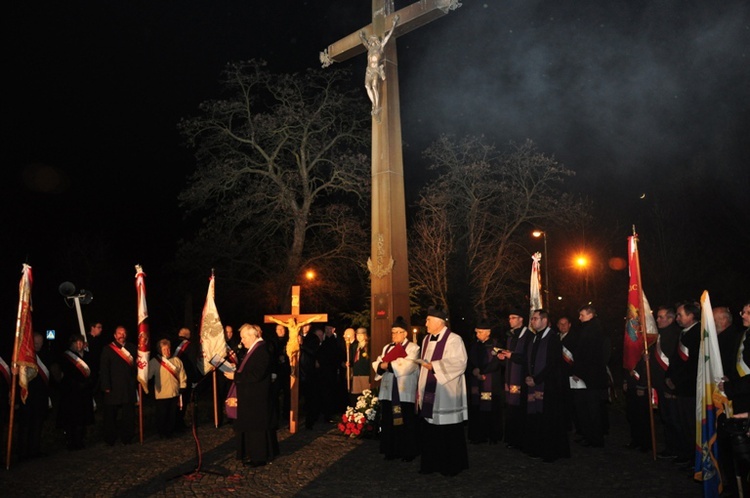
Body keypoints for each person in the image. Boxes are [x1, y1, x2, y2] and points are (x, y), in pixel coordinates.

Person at [417, 307, 468, 476]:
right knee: (430, 429)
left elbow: (460, 362)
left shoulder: (454, 339)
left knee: (447, 431)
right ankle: (431, 464)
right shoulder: (425, 339)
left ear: (439, 322)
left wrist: (435, 366)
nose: (426, 323)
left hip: (446, 393)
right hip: (429, 391)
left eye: (428, 320)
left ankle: (450, 465)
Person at [223, 324, 273, 467]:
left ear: (252, 336)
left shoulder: (261, 350)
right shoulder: (255, 349)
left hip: (256, 397)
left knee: (256, 429)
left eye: (244, 337)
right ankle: (252, 454)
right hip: (250, 396)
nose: (242, 341)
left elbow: (257, 374)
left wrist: (236, 376)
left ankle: (258, 458)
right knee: (251, 428)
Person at [525, 310, 570, 462]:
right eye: (531, 319)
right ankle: (537, 447)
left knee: (549, 419)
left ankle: (550, 451)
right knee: (538, 418)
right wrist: (529, 375)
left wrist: (537, 379)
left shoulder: (552, 339)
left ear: (544, 320)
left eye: (535, 319)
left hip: (550, 386)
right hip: (536, 382)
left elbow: (552, 364)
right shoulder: (535, 338)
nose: (532, 321)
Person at [373, 316, 420, 461]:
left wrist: (387, 364)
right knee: (388, 422)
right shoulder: (387, 347)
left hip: (404, 392)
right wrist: (384, 364)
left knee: (405, 422)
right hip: (388, 391)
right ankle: (390, 450)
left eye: (398, 332)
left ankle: (407, 452)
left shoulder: (413, 348)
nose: (395, 335)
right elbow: (378, 363)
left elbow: (407, 366)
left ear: (405, 333)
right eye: (393, 332)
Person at [664, 300, 701, 469]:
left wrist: (677, 381)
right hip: (680, 388)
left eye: (680, 315)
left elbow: (692, 365)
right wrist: (669, 377)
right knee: (683, 424)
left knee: (691, 426)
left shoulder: (698, 334)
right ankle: (686, 455)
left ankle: (695, 460)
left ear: (691, 316)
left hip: (690, 389)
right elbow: (676, 360)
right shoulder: (684, 333)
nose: (677, 318)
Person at [720, 300, 750, 493]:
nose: (743, 315)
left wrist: (731, 387)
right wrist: (729, 377)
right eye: (743, 311)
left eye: (748, 312)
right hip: (740, 399)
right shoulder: (744, 335)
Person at [570, 305, 608, 448]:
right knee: (584, 408)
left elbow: (589, 355)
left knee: (592, 409)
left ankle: (595, 438)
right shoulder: (586, 330)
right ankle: (588, 435)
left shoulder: (594, 331)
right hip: (584, 376)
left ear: (591, 315)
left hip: (590, 378)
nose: (579, 318)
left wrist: (579, 372)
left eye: (582, 315)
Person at [467, 317, 504, 445]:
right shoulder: (474, 345)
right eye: (476, 332)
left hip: (491, 383)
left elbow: (496, 363)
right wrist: (474, 371)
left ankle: (493, 435)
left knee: (491, 409)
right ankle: (478, 435)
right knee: (477, 408)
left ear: (488, 332)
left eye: (480, 332)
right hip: (476, 382)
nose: (478, 334)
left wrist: (482, 372)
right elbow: (469, 361)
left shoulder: (495, 344)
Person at [652, 305, 682, 459]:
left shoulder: (675, 335)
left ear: (670, 319)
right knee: (666, 418)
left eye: (661, 317)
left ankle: (680, 450)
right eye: (657, 317)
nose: (657, 320)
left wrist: (672, 387)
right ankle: (670, 448)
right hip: (659, 384)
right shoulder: (659, 335)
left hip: (670, 386)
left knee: (675, 420)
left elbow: (675, 363)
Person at [99, 325, 138, 446]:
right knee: (111, 415)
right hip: (113, 387)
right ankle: (110, 438)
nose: (122, 335)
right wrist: (106, 386)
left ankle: (127, 437)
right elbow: (104, 369)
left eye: (124, 333)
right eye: (119, 333)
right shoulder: (108, 349)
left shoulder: (132, 347)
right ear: (115, 335)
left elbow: (137, 366)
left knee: (128, 415)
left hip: (128, 386)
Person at [57, 334, 95, 450]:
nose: (79, 345)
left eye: (81, 342)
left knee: (82, 419)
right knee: (72, 419)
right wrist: (76, 384)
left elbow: (93, 371)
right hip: (71, 394)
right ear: (72, 344)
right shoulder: (66, 357)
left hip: (84, 392)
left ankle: (80, 440)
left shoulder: (88, 356)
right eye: (76, 342)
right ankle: (71, 441)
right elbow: (65, 375)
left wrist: (89, 384)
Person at [501, 308, 532, 450]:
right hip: (510, 377)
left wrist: (511, 356)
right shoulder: (510, 336)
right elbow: (510, 356)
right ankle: (511, 438)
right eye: (509, 318)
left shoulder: (529, 336)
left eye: (513, 317)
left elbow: (528, 358)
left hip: (521, 379)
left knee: (520, 410)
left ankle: (521, 439)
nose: (510, 320)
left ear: (521, 319)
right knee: (511, 409)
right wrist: (502, 356)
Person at [18, 332, 51, 460]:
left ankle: (35, 450)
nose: (38, 345)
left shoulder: (45, 355)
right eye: (36, 343)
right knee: (25, 426)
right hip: (28, 397)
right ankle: (22, 453)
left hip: (41, 397)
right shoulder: (26, 357)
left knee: (38, 425)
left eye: (40, 343)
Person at [359, 15, 398, 115]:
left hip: (376, 69)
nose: (372, 42)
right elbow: (364, 42)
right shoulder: (369, 49)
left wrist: (393, 24)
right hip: (368, 70)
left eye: (374, 40)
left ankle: (376, 106)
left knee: (374, 86)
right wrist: (361, 37)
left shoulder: (380, 47)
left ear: (377, 40)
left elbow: (388, 36)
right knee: (367, 86)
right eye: (371, 40)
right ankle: (374, 104)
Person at [148, 338, 187, 439]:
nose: (167, 351)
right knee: (162, 415)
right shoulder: (155, 362)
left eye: (168, 349)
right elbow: (148, 376)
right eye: (164, 349)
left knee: (172, 414)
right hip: (162, 394)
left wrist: (183, 386)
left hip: (174, 392)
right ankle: (162, 433)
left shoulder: (176, 360)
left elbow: (182, 374)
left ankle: (170, 432)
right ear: (160, 350)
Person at [173, 327, 200, 432]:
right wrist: (194, 378)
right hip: (186, 377)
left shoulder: (171, 343)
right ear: (188, 335)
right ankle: (179, 423)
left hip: (172, 375)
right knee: (183, 401)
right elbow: (193, 362)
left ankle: (171, 423)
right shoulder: (191, 346)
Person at [349, 327, 371, 405]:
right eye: (357, 335)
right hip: (356, 374)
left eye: (361, 335)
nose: (359, 337)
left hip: (365, 374)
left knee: (366, 396)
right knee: (355, 395)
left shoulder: (369, 346)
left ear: (365, 336)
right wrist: (349, 363)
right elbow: (352, 359)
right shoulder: (355, 346)